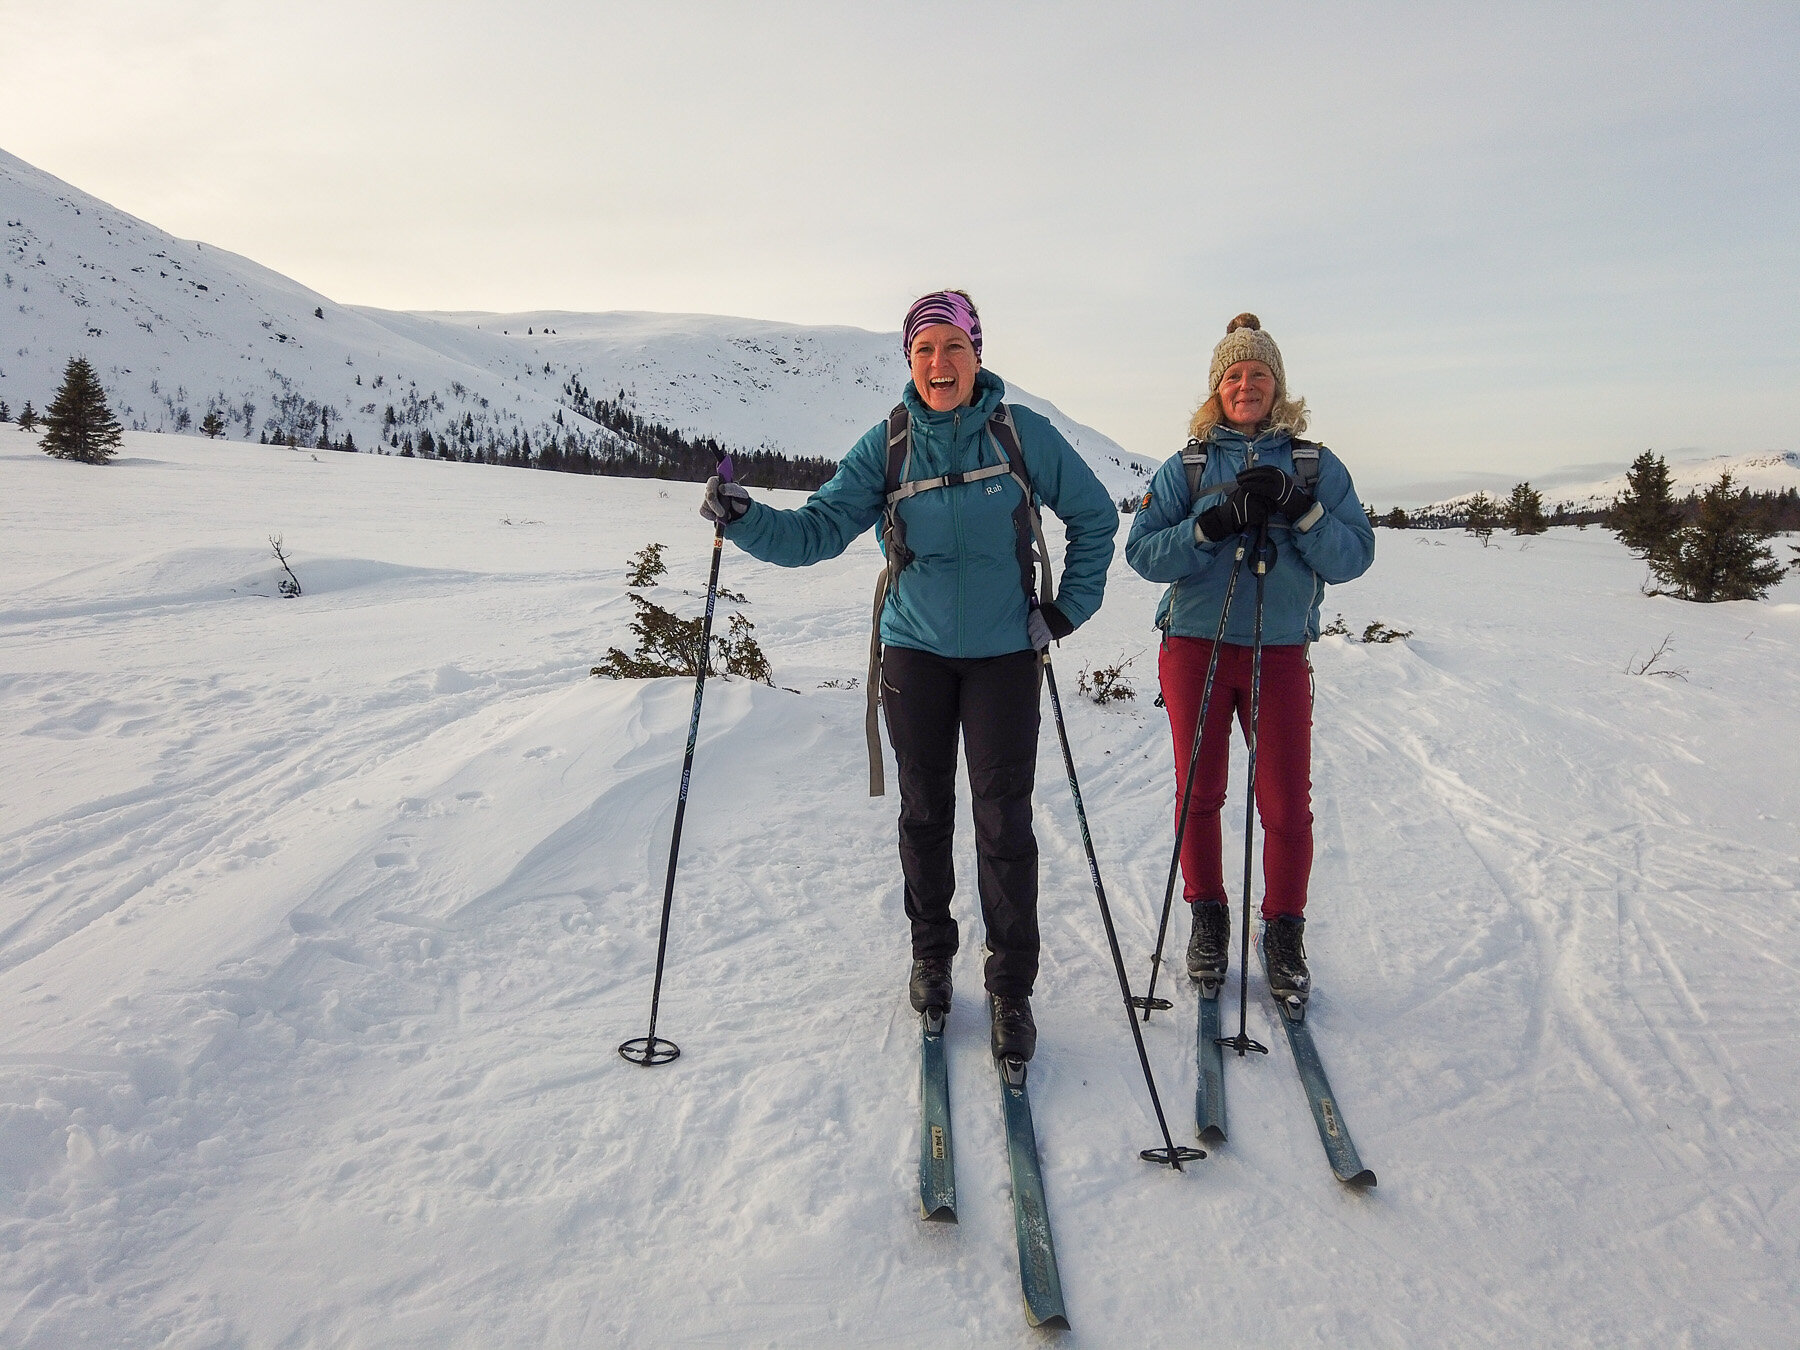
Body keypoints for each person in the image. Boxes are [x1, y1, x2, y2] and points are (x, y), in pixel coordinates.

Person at [700, 290, 1118, 1060]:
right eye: (924, 351)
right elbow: (817, 531)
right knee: (924, 814)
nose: (938, 364)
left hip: (1002, 657)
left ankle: (1010, 986)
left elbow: (1095, 518)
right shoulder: (889, 445)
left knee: (1003, 821)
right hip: (915, 654)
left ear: (977, 355)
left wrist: (1063, 614)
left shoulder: (1022, 435)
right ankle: (931, 958)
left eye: (952, 348)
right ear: (910, 362)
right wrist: (746, 518)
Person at [1124, 314, 1374, 1004]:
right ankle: (1209, 919)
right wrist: (1209, 524)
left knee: (1286, 803)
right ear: (1217, 387)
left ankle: (1284, 930)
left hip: (1279, 651)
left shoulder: (1314, 466)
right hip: (1197, 647)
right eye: (1233, 375)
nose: (1246, 384)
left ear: (1278, 384)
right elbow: (1143, 552)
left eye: (1258, 373)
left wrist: (1302, 510)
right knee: (1200, 794)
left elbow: (1355, 554)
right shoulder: (1189, 466)